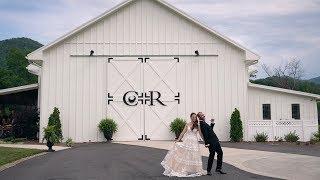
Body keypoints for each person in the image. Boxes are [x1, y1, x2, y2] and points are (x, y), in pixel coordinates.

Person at [161, 113, 206, 177]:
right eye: (193, 117)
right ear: (190, 117)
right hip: (187, 141)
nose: (194, 118)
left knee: (193, 156)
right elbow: (182, 132)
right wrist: (178, 139)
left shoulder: (197, 125)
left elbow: (201, 134)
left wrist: (205, 141)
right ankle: (184, 169)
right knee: (185, 155)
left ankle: (193, 169)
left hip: (194, 142)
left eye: (195, 117)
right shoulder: (187, 124)